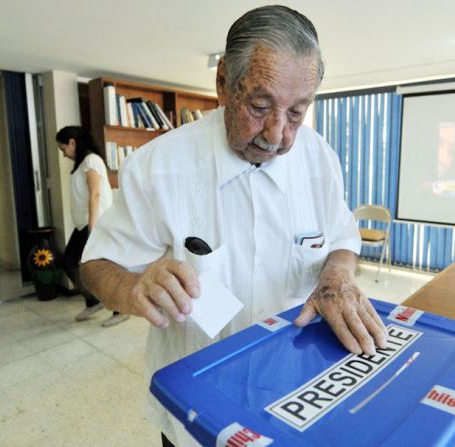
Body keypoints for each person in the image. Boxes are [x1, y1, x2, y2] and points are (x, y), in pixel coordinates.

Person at [79, 6, 387, 446]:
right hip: (196, 413)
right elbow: (96, 264)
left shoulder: (319, 158)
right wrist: (133, 289)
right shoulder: (159, 166)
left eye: (297, 113)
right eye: (260, 107)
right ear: (223, 82)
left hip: (297, 395)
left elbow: (341, 238)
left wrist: (338, 273)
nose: (279, 135)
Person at [56, 126, 128, 327]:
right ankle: (93, 300)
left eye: (63, 149)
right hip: (84, 226)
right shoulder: (82, 164)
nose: (64, 154)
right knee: (70, 263)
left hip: (95, 225)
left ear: (72, 142)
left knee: (105, 268)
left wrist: (93, 225)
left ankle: (119, 309)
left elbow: (95, 194)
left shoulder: (91, 160)